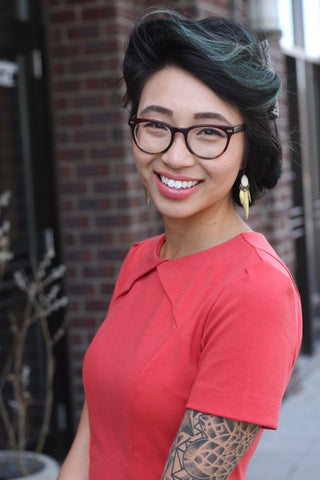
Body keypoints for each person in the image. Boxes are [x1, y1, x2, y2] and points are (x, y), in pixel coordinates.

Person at [57, 9, 302, 480]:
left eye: (209, 132)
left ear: (248, 145)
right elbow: (90, 440)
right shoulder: (139, 261)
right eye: (155, 124)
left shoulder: (256, 293)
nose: (174, 155)